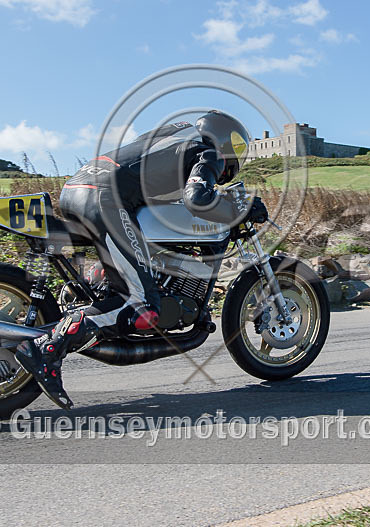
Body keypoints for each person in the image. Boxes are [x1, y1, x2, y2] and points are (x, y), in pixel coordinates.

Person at [15, 111, 268, 409]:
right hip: (105, 198)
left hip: (76, 189)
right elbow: (197, 199)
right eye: (237, 145)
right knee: (142, 306)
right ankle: (48, 349)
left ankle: (96, 299)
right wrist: (242, 206)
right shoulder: (207, 151)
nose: (236, 153)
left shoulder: (170, 137)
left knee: (131, 265)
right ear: (224, 138)